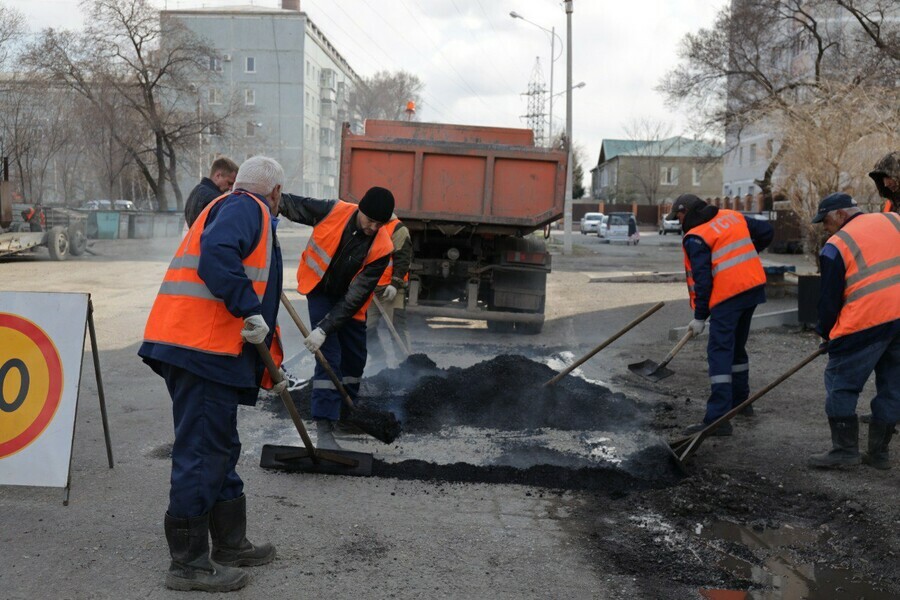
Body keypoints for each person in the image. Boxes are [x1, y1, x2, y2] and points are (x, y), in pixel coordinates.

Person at [139, 156, 285, 592]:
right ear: (274, 192)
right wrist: (247, 306)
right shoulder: (247, 207)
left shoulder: (231, 204)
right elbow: (217, 257)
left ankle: (229, 543)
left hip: (204, 348)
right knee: (203, 450)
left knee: (219, 444)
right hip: (200, 349)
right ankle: (187, 564)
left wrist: (265, 361)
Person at [279, 187, 394, 450]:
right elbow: (293, 205)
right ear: (360, 210)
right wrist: (267, 203)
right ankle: (325, 427)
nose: (373, 227)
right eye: (370, 220)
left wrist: (325, 328)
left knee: (355, 357)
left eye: (380, 223)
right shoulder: (334, 210)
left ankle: (345, 416)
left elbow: (355, 297)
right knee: (329, 356)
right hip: (319, 289)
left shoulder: (382, 246)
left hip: (350, 303)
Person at [806, 193, 900, 470]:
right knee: (893, 386)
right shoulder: (895, 220)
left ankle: (845, 451)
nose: (824, 227)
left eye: (825, 221)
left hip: (865, 324)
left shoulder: (837, 245)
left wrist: (826, 333)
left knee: (841, 382)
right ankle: (879, 454)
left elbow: (829, 299)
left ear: (839, 215)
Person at [668, 193, 773, 436]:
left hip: (728, 297)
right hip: (753, 288)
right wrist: (746, 257)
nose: (678, 221)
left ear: (690, 212)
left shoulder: (696, 238)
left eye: (679, 216)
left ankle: (718, 419)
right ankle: (741, 403)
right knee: (737, 348)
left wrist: (700, 316)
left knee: (720, 352)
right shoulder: (732, 216)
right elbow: (766, 231)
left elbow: (703, 283)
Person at [365, 213, 413, 370]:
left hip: (391, 289)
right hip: (371, 289)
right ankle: (378, 358)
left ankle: (405, 363)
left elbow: (403, 259)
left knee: (396, 326)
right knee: (364, 327)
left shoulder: (398, 229)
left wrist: (395, 283)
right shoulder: (369, 225)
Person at [184, 156, 239, 226]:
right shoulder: (215, 200)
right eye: (229, 183)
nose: (231, 188)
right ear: (218, 176)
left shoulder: (195, 192)